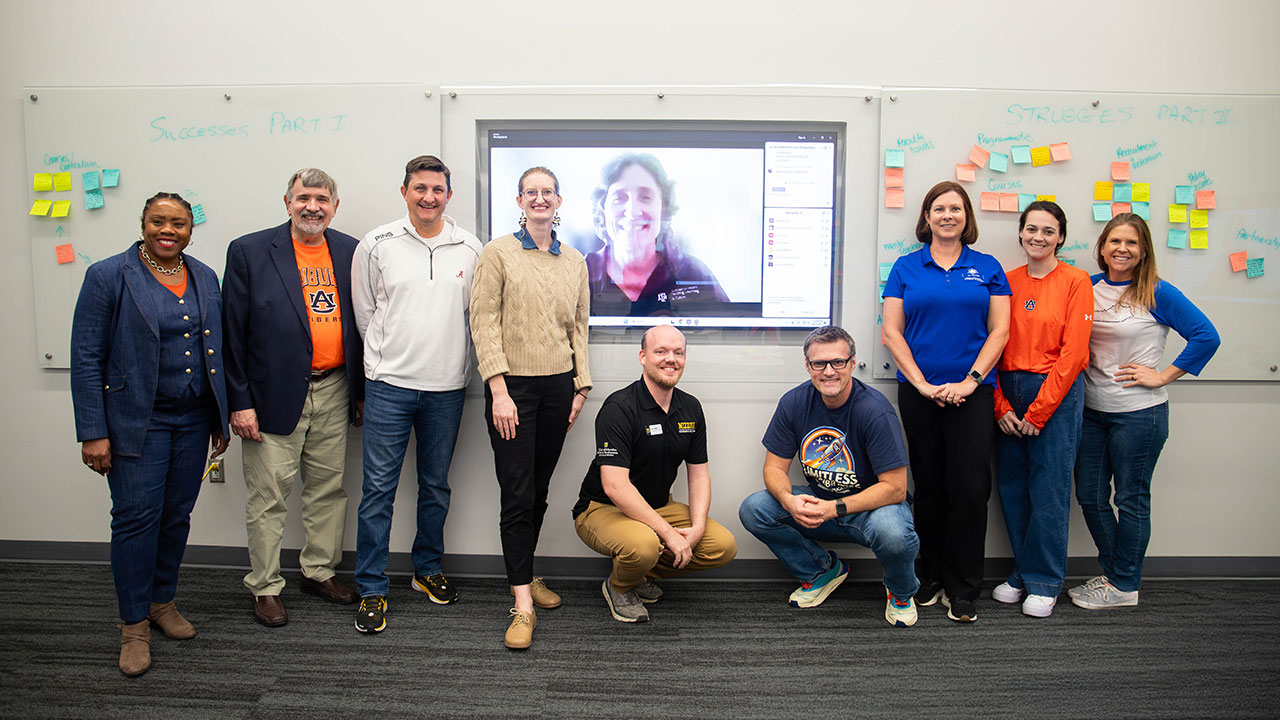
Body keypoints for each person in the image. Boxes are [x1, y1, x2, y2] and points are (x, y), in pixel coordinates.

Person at [70, 192, 229, 676]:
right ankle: (134, 624)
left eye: (178, 223)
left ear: (189, 229)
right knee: (136, 520)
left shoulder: (204, 275)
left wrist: (219, 417)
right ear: (143, 224)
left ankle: (162, 602)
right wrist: (93, 432)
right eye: (158, 221)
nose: (168, 230)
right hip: (136, 422)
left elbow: (215, 348)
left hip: (193, 419)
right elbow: (85, 358)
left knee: (176, 516)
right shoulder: (108, 275)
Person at [222, 168, 364, 627]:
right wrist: (239, 401)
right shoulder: (249, 251)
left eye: (323, 198)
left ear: (335, 207)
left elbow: (363, 326)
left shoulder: (349, 250)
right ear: (287, 202)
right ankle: (264, 586)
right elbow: (232, 336)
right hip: (270, 396)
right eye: (304, 197)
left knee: (328, 490)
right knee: (268, 497)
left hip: (335, 386)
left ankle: (318, 572)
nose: (313, 206)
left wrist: (359, 392)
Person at [349, 155, 482, 634]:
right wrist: (385, 363)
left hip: (446, 388)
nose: (429, 197)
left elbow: (476, 318)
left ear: (449, 195)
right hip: (388, 387)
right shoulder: (376, 244)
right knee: (377, 492)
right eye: (420, 188)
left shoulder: (470, 247)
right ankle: (371, 589)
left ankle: (426, 571)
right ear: (404, 191)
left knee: (436, 487)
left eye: (438, 190)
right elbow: (366, 315)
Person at [1071, 213, 1219, 610]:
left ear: (1143, 251)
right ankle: (1118, 574)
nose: (1122, 249)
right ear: (1102, 247)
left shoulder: (1156, 291)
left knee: (1132, 499)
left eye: (1131, 243)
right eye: (1115, 241)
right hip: (1091, 410)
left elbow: (1207, 335)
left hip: (1140, 414)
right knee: (1090, 495)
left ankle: (1124, 585)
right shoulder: (1085, 287)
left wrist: (1163, 376)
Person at [470, 166, 592, 649]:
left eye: (548, 192)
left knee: (539, 489)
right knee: (518, 493)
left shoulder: (576, 260)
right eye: (531, 193)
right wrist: (498, 390)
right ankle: (520, 603)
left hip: (559, 388)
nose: (540, 199)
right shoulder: (497, 253)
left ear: (558, 201)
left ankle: (527, 573)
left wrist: (580, 388)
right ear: (519, 201)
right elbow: (484, 323)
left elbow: (580, 327)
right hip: (513, 391)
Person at [881, 181, 1010, 623]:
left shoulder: (988, 267)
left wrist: (971, 382)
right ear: (927, 217)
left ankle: (964, 587)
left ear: (966, 217)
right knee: (930, 487)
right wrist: (920, 384)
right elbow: (892, 332)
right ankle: (929, 578)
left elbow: (1000, 331)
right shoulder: (905, 267)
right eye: (939, 208)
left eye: (956, 208)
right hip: (920, 395)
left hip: (973, 395)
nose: (948, 215)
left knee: (970, 490)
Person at [739, 325, 920, 627]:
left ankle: (901, 591)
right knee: (755, 508)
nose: (828, 372)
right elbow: (773, 468)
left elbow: (896, 489)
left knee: (894, 533)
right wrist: (788, 500)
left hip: (872, 510)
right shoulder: (794, 402)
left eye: (837, 362)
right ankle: (822, 570)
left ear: (852, 363)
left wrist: (834, 509)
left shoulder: (875, 410)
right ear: (807, 366)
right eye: (819, 363)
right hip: (819, 503)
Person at [573, 325, 737, 623]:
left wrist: (697, 526)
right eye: (660, 351)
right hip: (602, 509)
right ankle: (619, 585)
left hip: (658, 505)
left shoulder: (690, 407)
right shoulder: (619, 408)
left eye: (678, 352)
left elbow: (699, 475)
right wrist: (668, 535)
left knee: (721, 546)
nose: (670, 359)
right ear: (643, 356)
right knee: (645, 544)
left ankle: (638, 570)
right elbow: (615, 487)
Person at [989, 201, 1092, 618]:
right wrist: (999, 405)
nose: (1038, 237)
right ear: (1020, 232)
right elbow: (991, 344)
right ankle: (1022, 573)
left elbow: (1075, 354)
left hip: (1056, 391)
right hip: (1009, 389)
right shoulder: (1006, 282)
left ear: (1061, 237)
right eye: (1031, 229)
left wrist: (1039, 411)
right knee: (1012, 488)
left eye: (1048, 231)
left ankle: (1046, 580)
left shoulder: (1075, 280)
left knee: (1048, 489)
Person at [585, 153, 728, 316]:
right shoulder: (579, 274)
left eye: (645, 197)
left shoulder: (693, 273)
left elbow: (733, 333)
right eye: (619, 198)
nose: (632, 211)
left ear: (663, 209)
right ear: (602, 210)